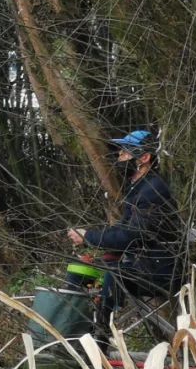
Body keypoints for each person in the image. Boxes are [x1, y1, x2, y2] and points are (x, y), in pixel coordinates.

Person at [65, 129, 183, 327]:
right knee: (79, 269)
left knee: (114, 275)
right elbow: (123, 229)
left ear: (144, 157)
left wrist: (89, 237)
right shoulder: (137, 189)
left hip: (159, 271)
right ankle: (75, 332)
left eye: (125, 153)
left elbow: (132, 236)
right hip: (139, 264)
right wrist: (102, 256)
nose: (119, 158)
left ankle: (100, 341)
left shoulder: (152, 190)